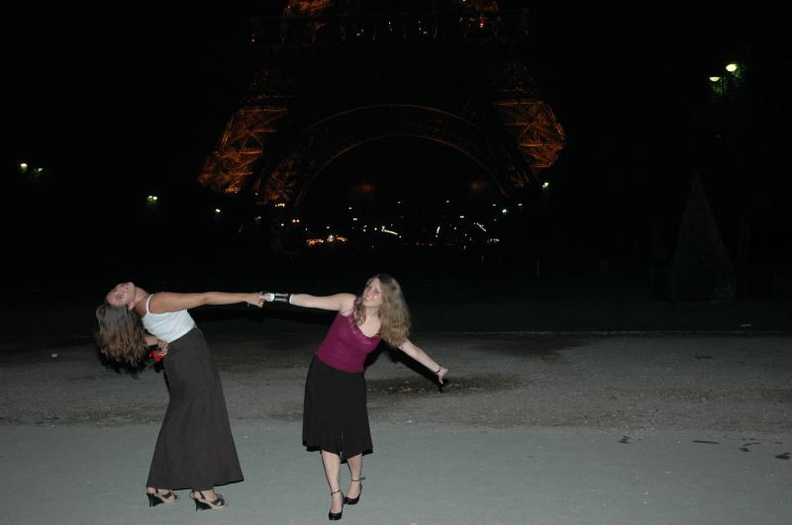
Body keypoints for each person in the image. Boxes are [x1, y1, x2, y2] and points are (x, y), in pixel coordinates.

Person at [264, 273, 448, 521]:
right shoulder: (348, 303)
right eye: (369, 286)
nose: (369, 292)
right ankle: (335, 494)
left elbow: (411, 349)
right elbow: (308, 300)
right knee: (326, 437)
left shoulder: (385, 325)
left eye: (377, 291)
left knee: (352, 438)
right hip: (322, 374)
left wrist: (437, 369)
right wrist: (275, 296)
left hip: (350, 382)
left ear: (387, 301)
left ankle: (355, 480)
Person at [95, 282, 266, 511]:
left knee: (179, 421)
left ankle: (158, 485)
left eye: (116, 290)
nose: (121, 289)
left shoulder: (143, 308)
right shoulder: (155, 302)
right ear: (125, 307)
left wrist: (158, 340)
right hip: (191, 360)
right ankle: (203, 490)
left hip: (179, 361)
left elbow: (135, 339)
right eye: (118, 296)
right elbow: (205, 297)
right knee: (200, 422)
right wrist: (248, 295)